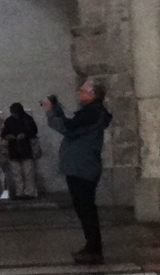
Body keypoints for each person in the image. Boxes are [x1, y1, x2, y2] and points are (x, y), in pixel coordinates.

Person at [45, 79, 113, 264]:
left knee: (86, 209)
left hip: (82, 167)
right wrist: (57, 109)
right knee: (85, 209)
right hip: (81, 166)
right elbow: (70, 125)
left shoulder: (92, 114)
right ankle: (91, 247)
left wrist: (51, 112)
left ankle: (94, 249)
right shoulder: (91, 113)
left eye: (83, 91)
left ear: (92, 95)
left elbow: (68, 129)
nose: (79, 93)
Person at [1, 103, 43, 199]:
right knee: (22, 173)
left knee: (25, 173)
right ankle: (23, 192)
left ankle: (25, 192)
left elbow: (33, 131)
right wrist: (10, 136)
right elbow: (4, 134)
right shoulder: (27, 119)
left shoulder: (12, 120)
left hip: (19, 149)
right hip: (22, 149)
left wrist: (23, 135)